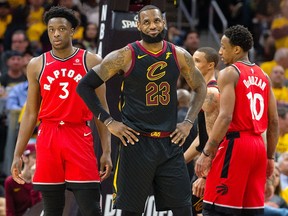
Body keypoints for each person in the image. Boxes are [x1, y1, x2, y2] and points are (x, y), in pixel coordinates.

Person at [77, 4, 207, 216]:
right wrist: (110, 122)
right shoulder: (125, 55)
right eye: (146, 22)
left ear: (163, 22)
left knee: (184, 209)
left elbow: (200, 87)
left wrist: (188, 122)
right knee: (131, 212)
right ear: (138, 25)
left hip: (169, 144)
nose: (152, 26)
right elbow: (84, 86)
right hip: (136, 144)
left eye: (156, 21)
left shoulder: (179, 54)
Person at [10, 6, 112, 216]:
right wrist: (18, 153)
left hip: (79, 134)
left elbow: (102, 110)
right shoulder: (36, 64)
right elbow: (30, 113)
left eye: (62, 29)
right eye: (51, 29)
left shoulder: (91, 61)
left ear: (72, 31)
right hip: (48, 136)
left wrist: (107, 151)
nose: (56, 34)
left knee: (91, 209)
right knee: (52, 209)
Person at [195, 25, 279, 215]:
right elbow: (273, 122)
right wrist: (270, 157)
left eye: (223, 47)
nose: (220, 52)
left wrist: (207, 153)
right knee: (250, 212)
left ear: (237, 50)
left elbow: (225, 117)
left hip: (236, 146)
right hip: (259, 146)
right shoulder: (264, 76)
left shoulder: (229, 73)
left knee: (217, 210)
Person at [183, 47, 220, 216]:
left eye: (197, 61)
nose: (191, 64)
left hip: (212, 168)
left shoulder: (211, 93)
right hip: (205, 166)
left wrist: (205, 176)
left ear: (210, 65)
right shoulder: (202, 91)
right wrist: (179, 162)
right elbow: (201, 137)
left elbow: (215, 139)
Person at [5, 143, 41, 216]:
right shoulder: (11, 182)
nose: (38, 161)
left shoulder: (42, 181)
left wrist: (34, 179)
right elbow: (10, 211)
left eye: (39, 158)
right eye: (34, 157)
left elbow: (38, 208)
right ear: (24, 158)